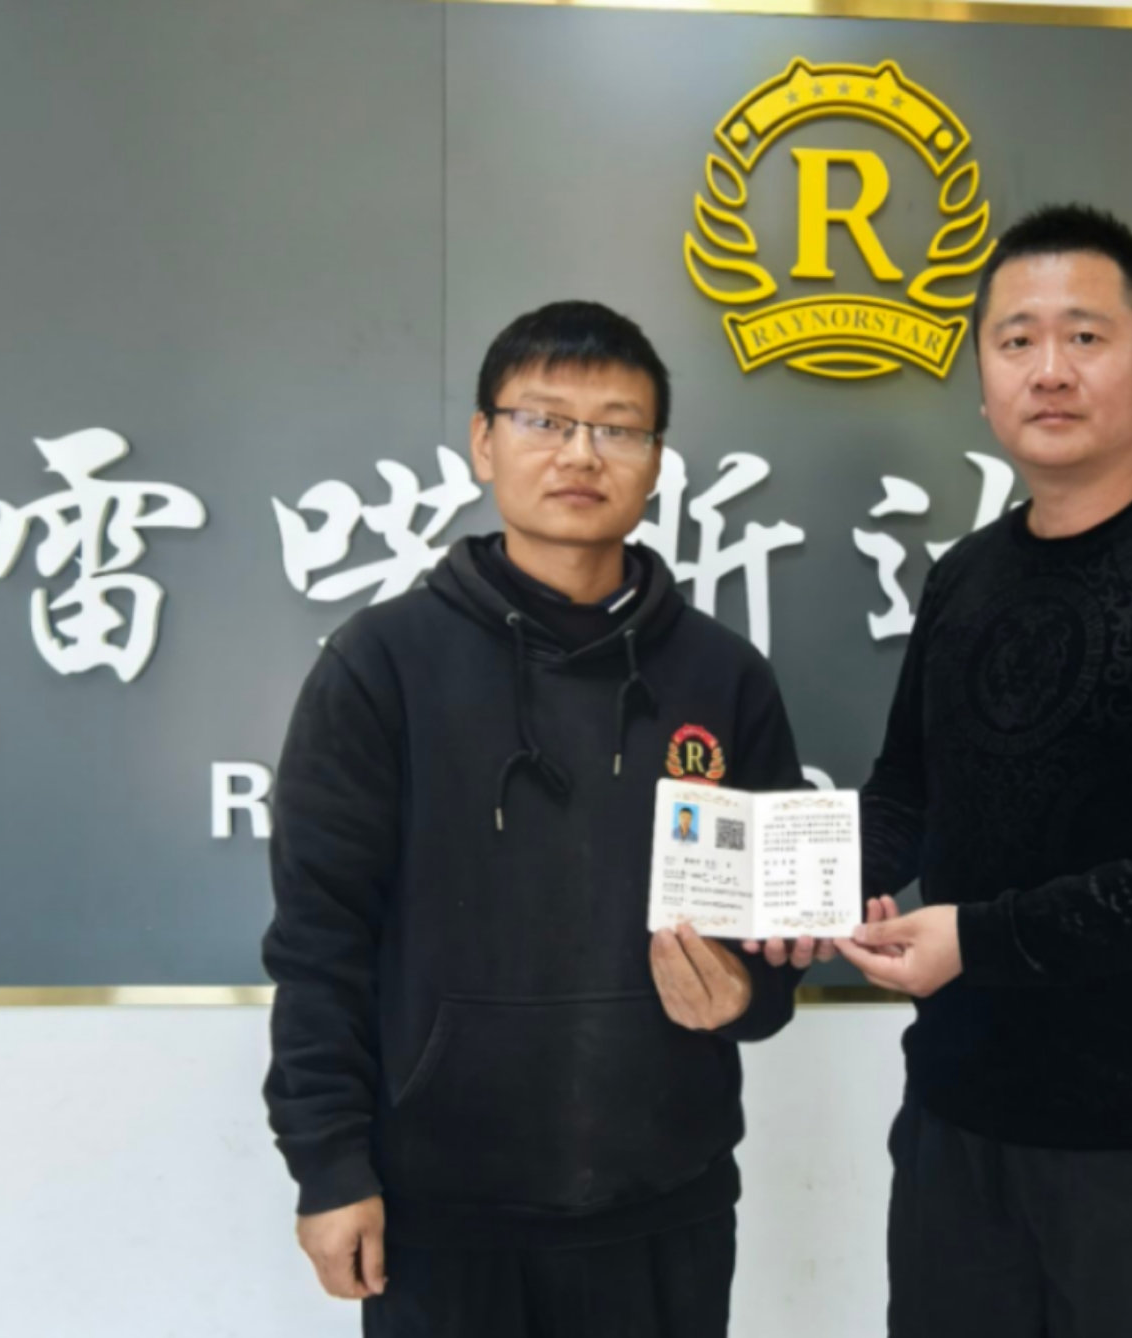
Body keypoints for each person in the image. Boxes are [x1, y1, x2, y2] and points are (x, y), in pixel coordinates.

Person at [263, 300, 806, 1338]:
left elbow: (772, 948)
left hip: (667, 1206)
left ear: (656, 462)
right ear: (483, 441)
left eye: (617, 427)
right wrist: (328, 1165)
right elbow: (319, 938)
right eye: (544, 420)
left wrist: (745, 991)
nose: (580, 454)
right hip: (441, 1217)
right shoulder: (382, 666)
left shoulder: (724, 678)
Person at [838, 204, 1132, 1338]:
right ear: (982, 380)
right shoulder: (962, 578)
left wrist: (980, 940)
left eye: (1085, 336)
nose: (1048, 369)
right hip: (955, 1126)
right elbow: (905, 793)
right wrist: (807, 891)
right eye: (1016, 341)